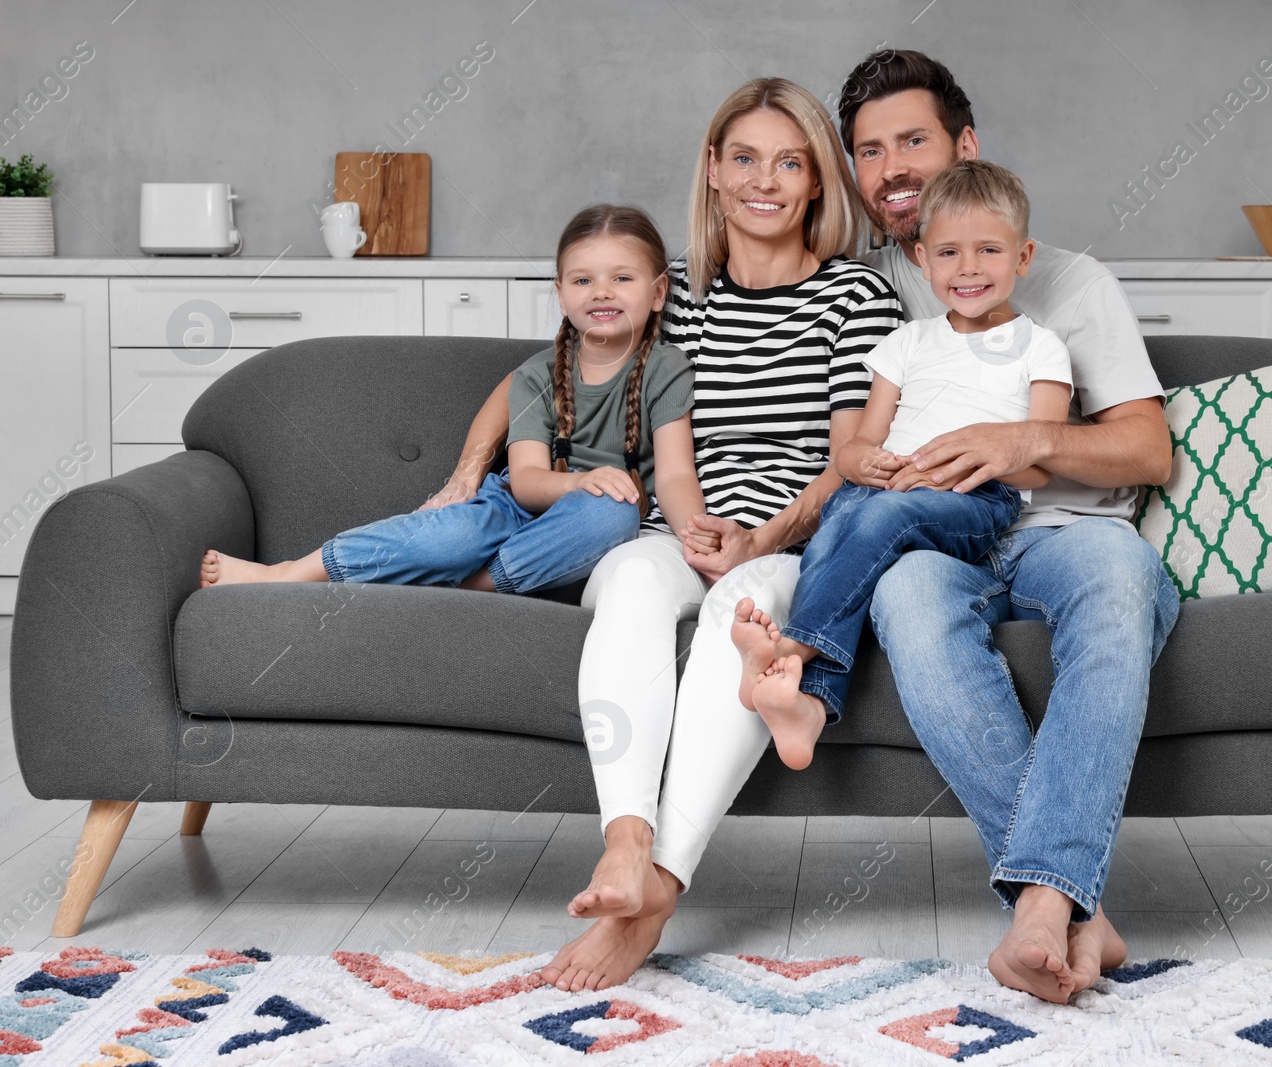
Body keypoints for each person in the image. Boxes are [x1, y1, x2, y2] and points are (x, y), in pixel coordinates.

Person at [434, 78, 903, 991]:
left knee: (740, 613)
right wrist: (466, 468)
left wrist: (762, 541)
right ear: (714, 173)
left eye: (790, 161)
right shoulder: (667, 287)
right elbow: (544, 374)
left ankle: (656, 895)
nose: (764, 180)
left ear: (815, 184)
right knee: (640, 585)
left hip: (789, 540)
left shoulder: (858, 296)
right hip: (668, 524)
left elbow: (855, 454)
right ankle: (625, 841)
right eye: (744, 158)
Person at [836, 49, 1182, 1004]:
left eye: (913, 140)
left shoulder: (1068, 282)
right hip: (937, 540)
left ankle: (1040, 907)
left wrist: (1021, 436)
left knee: (1120, 579)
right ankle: (1071, 906)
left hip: (1066, 532)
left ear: (965, 145)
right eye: (870, 151)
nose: (893, 168)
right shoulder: (860, 293)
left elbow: (1149, 452)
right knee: (902, 594)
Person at [731, 159, 1072, 772]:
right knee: (840, 520)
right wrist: (872, 464)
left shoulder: (1042, 347)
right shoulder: (907, 342)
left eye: (988, 250)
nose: (967, 268)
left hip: (976, 500)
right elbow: (855, 447)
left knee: (879, 517)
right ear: (921, 258)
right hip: (888, 492)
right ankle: (809, 705)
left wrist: (957, 464)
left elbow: (1038, 466)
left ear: (1023, 257)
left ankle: (793, 643)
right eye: (947, 253)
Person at [197, 205, 700, 598]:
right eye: (583, 280)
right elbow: (525, 483)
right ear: (561, 293)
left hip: (581, 530)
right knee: (453, 536)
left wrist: (697, 536)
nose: (601, 292)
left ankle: (472, 585)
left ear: (658, 293)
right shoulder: (537, 375)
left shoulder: (665, 369)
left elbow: (675, 475)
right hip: (516, 511)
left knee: (614, 514)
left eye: (622, 278)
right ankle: (291, 572)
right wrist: (580, 480)